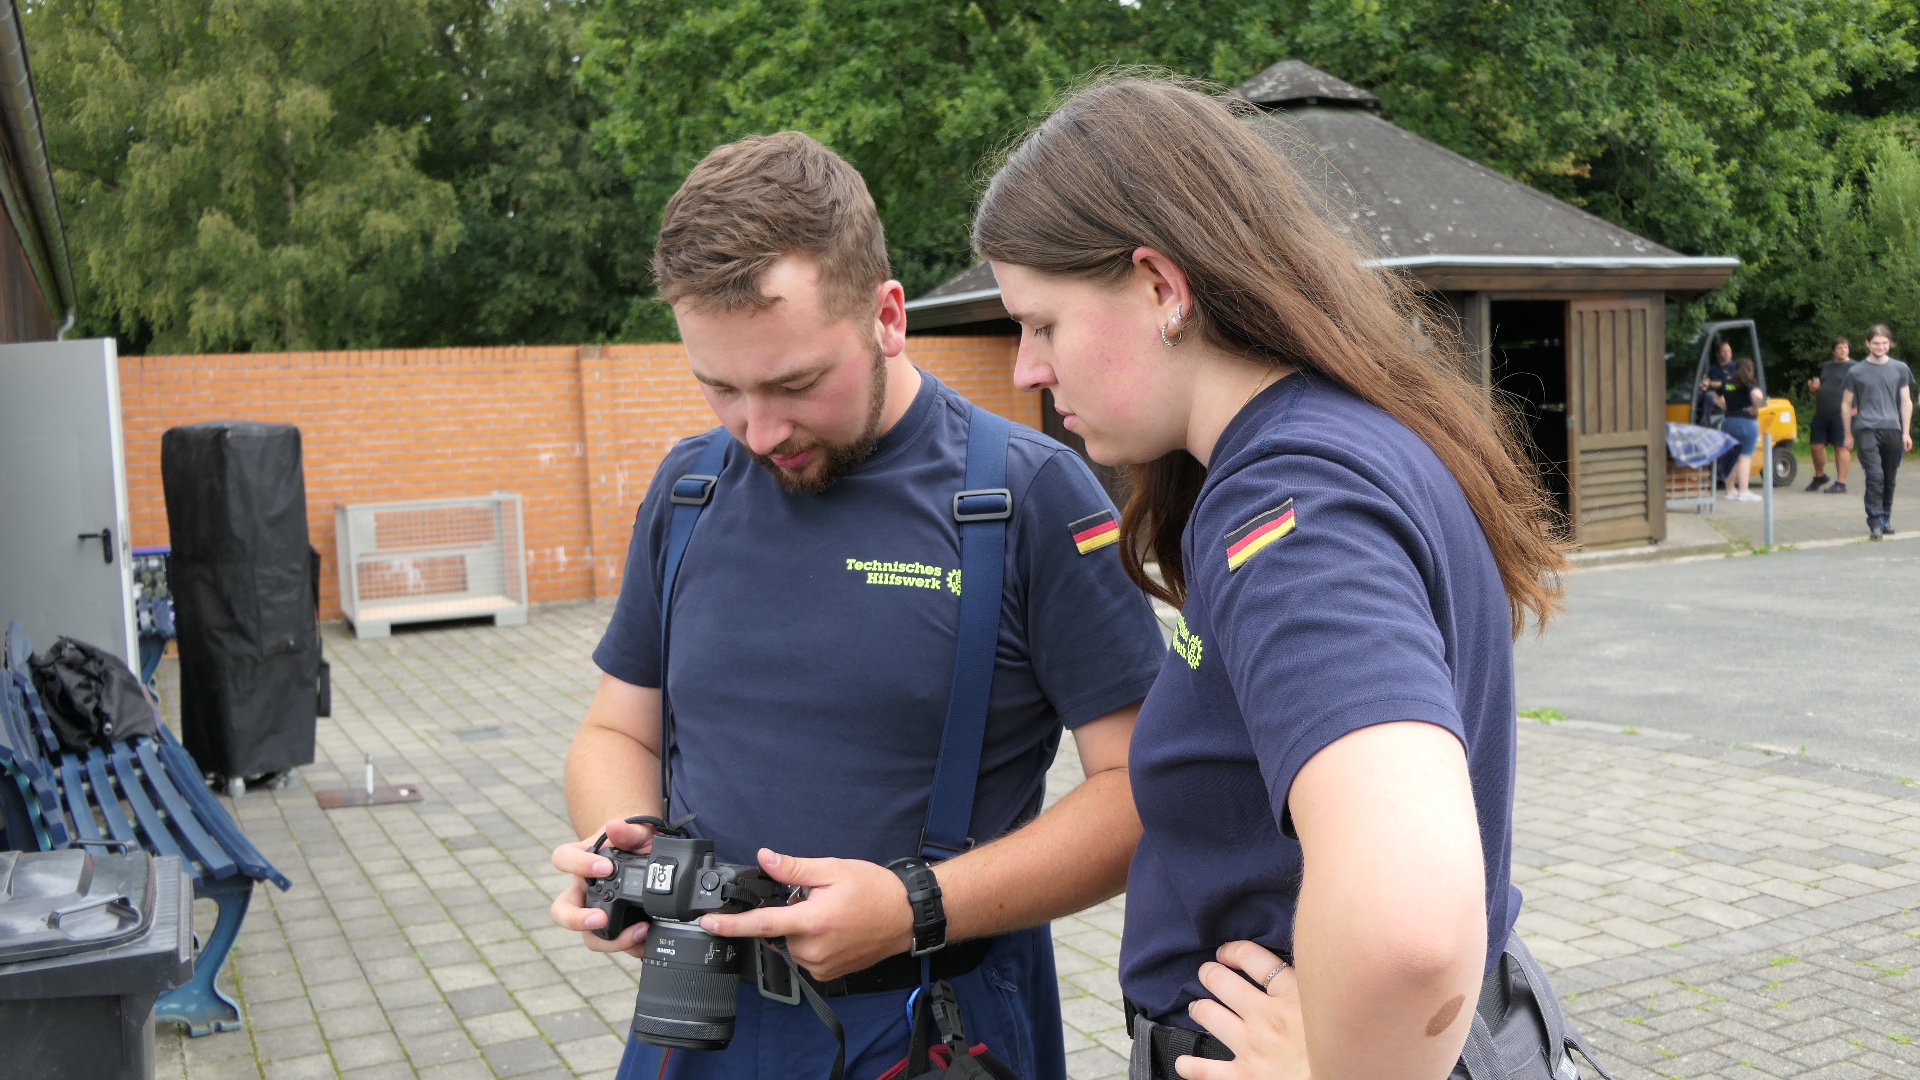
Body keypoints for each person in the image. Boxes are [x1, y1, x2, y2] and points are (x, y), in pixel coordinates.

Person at [974, 78, 1585, 1080]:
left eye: (1041, 324)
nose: (1028, 371)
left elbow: (1415, 927)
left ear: (1161, 289)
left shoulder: (1286, 506)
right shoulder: (1343, 437)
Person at [544, 131, 1168, 1080]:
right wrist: (623, 857)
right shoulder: (688, 491)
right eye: (719, 388)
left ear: (886, 316)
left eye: (795, 383)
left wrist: (919, 904)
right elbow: (615, 732)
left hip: (932, 1024)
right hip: (698, 1017)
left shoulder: (1028, 498)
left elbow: (1139, 790)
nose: (759, 430)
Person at [1841, 324, 1914, 540]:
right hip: (1865, 428)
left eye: (1884, 343)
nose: (1880, 346)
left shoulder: (1900, 369)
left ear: (1890, 344)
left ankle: (1886, 517)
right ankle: (1874, 520)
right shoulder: (1856, 371)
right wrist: (1847, 433)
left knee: (1889, 477)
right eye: (1876, 343)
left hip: (1892, 427)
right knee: (1875, 475)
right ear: (1867, 344)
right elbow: (1846, 404)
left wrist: (1906, 432)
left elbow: (1906, 401)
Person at [1714, 358, 1767, 502]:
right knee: (1745, 457)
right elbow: (1758, 396)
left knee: (1732, 456)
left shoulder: (1728, 382)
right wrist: (1755, 408)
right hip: (1746, 423)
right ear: (1750, 370)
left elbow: (1715, 396)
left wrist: (1724, 406)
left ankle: (1730, 490)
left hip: (1728, 422)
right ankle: (1744, 491)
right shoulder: (1749, 382)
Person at [1807, 337, 1854, 492]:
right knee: (1816, 446)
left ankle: (1841, 483)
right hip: (1822, 413)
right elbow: (1821, 385)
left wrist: (1855, 410)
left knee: (1841, 447)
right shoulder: (1828, 366)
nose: (1843, 350)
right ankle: (1820, 476)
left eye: (1845, 348)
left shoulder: (1854, 367)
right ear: (1833, 351)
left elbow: (1863, 390)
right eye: (1840, 348)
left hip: (1841, 414)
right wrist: (1814, 387)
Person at [1696, 339, 1736, 426]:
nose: (1727, 353)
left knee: (1710, 396)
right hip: (1713, 392)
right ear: (1718, 354)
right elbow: (1707, 381)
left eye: (1728, 351)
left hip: (1728, 392)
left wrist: (1710, 383)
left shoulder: (1734, 367)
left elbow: (1726, 383)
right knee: (1695, 397)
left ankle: (1706, 425)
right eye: (1724, 351)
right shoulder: (1713, 368)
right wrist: (1703, 385)